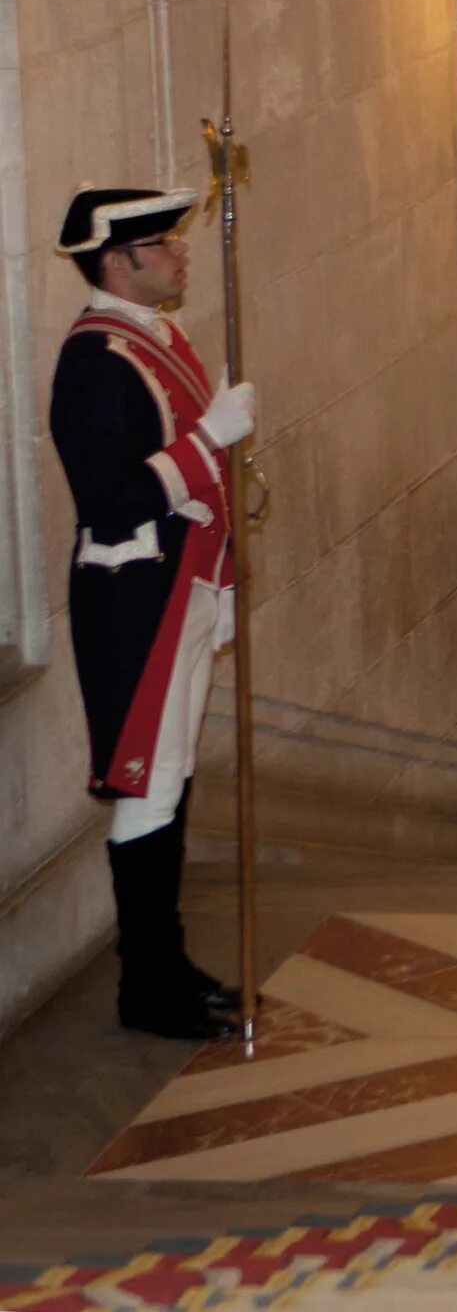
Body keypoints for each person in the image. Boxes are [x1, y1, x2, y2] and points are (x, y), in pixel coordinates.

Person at [51, 186, 253, 1041]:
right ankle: (148, 985)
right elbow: (110, 499)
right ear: (115, 260)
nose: (180, 253)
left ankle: (167, 963)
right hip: (134, 601)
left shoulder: (156, 337)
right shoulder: (96, 361)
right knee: (146, 784)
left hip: (182, 590)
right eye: (163, 243)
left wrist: (225, 582)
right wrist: (209, 441)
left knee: (170, 781)